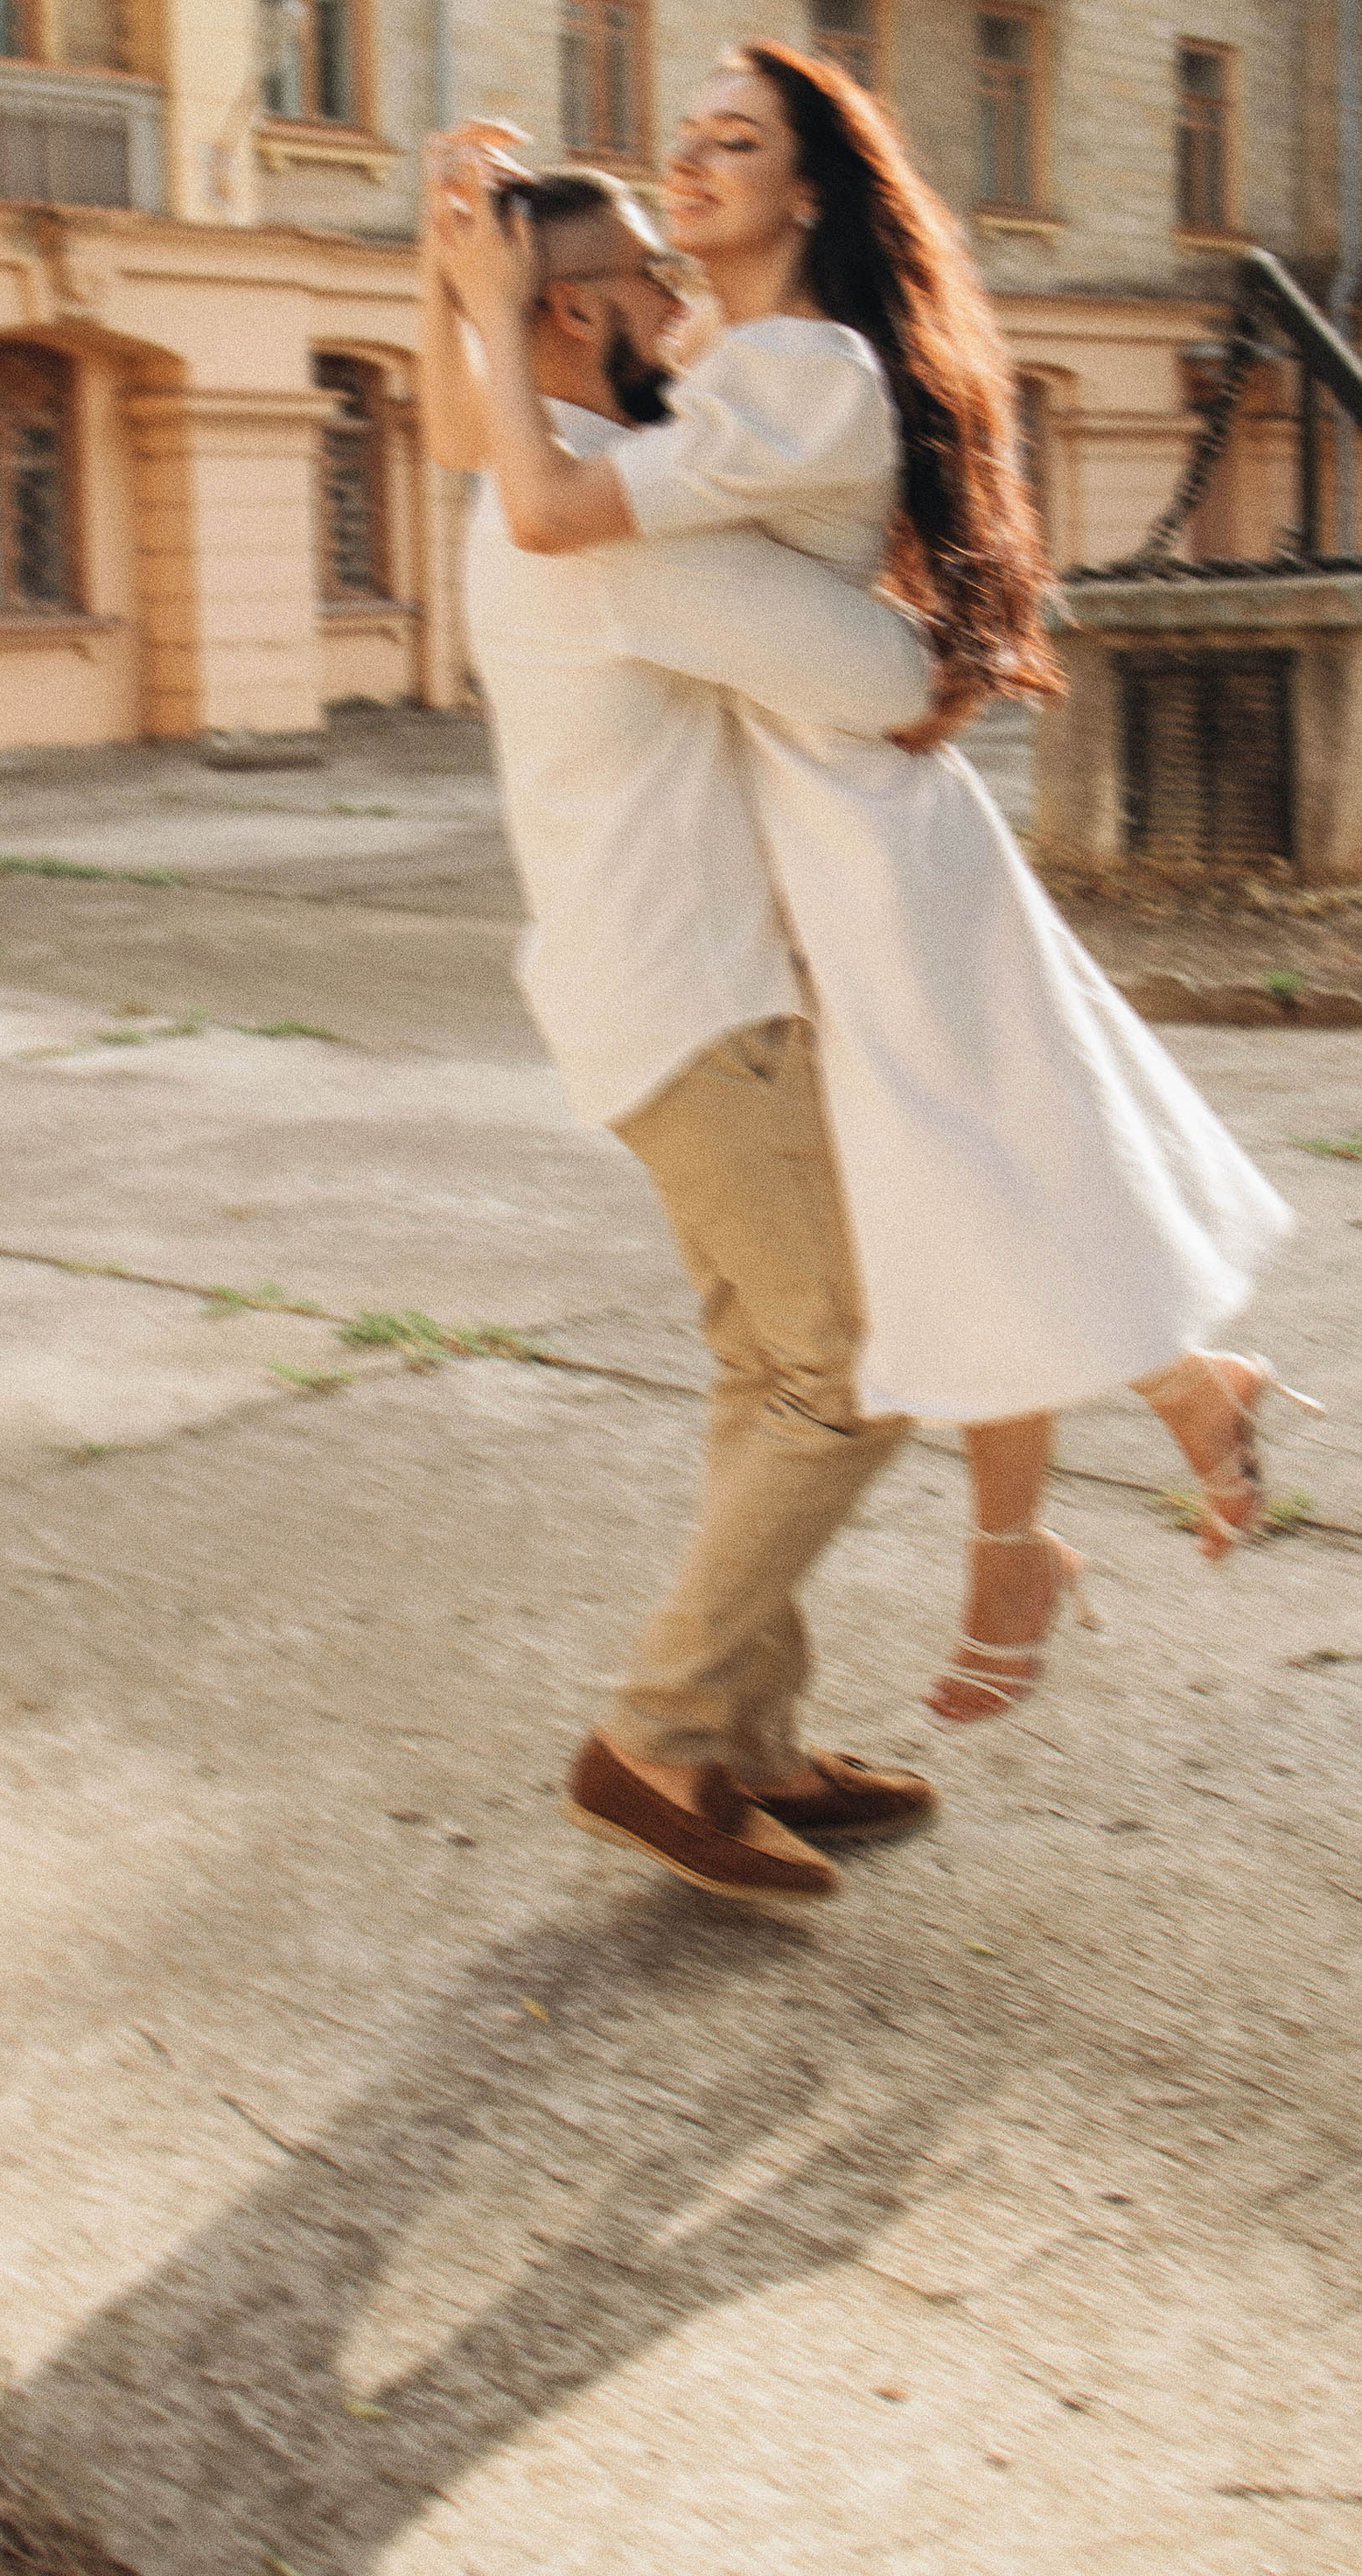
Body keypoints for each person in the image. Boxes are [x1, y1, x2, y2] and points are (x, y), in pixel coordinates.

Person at [437, 48, 1312, 1732]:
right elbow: (518, 423)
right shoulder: (703, 351)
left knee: (972, 1185)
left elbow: (544, 501)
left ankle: (1064, 1503)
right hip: (802, 811)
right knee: (959, 1194)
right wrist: (460, 269)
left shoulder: (809, 366)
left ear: (810, 191)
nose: (687, 164)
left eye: (733, 143)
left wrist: (486, 299)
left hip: (853, 813)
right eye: (681, 137)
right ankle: (1134, 1438)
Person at [419, 151, 964, 1910]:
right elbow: (885, 690)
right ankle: (656, 1738)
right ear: (574, 312)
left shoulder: (544, 487)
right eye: (653, 275)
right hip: (698, 1002)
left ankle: (750, 1745)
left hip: (653, 999)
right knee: (848, 1370)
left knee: (765, 1370)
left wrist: (454, 290)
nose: (688, 298)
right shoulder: (598, 528)